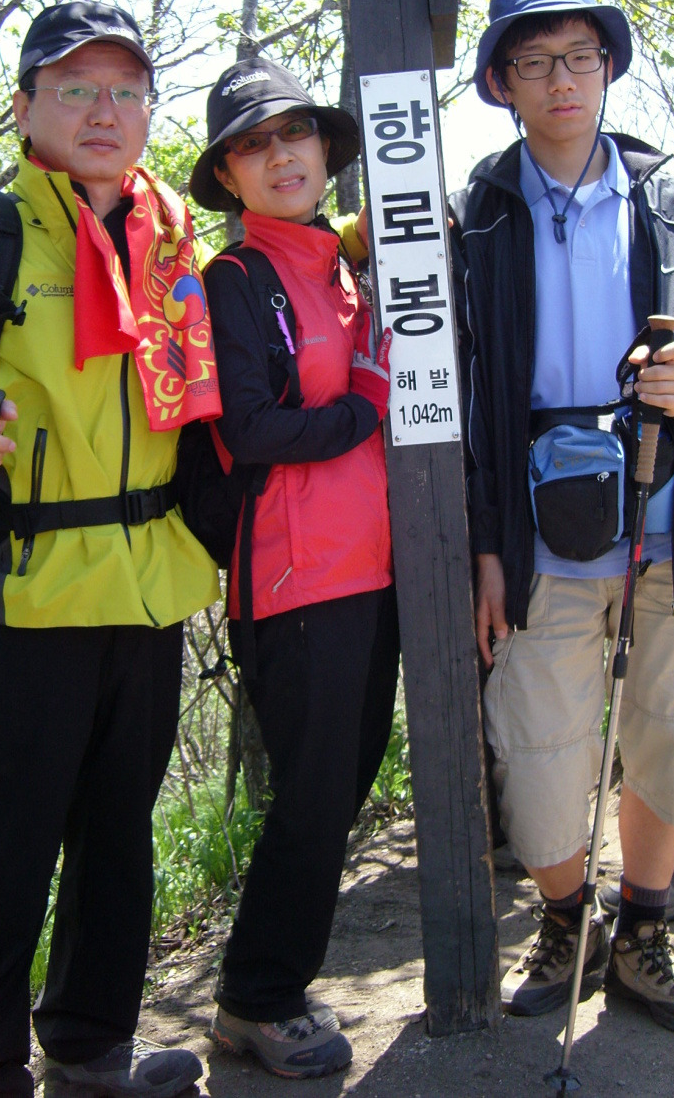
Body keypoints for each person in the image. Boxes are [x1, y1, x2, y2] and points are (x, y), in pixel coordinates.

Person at [0, 1, 218, 1097]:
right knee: (7, 848)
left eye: (123, 91)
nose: (103, 112)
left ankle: (92, 1044)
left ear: (150, 111)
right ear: (25, 110)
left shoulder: (172, 239)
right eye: (75, 90)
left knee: (121, 835)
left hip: (151, 583)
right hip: (21, 592)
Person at [451, 0, 674, 1034]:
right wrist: (485, 545)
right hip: (536, 538)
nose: (559, 80)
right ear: (500, 84)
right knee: (537, 746)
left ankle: (640, 934)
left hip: (671, 518)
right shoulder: (476, 214)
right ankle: (560, 922)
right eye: (532, 62)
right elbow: (460, 396)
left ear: (609, 66)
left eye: (578, 56)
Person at [185, 57, 400, 1079]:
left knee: (341, 786)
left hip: (375, 570)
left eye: (295, 135)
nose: (280, 156)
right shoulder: (236, 281)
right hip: (295, 578)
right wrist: (363, 398)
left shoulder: (348, 266)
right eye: (253, 145)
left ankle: (261, 990)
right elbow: (256, 428)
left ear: (325, 150)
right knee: (313, 795)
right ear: (228, 176)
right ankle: (257, 998)